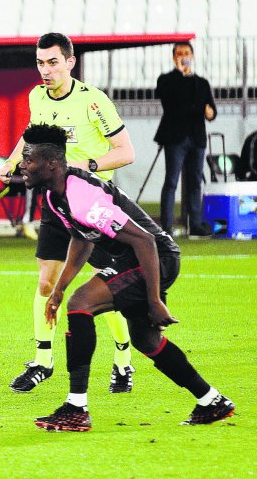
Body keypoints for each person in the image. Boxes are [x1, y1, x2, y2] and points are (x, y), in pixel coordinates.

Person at [16, 124, 235, 430]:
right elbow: (83, 239)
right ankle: (211, 400)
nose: (21, 165)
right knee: (146, 340)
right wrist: (58, 290)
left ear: (52, 163)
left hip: (154, 257)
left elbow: (145, 240)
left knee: (81, 304)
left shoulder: (82, 195)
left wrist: (154, 299)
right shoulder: (56, 195)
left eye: (28, 158)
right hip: (136, 258)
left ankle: (76, 407)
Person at [0, 33, 137, 395]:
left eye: (53, 62)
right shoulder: (36, 96)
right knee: (46, 281)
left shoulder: (94, 102)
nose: (45, 70)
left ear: (70, 62)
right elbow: (31, 138)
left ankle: (123, 360)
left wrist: (86, 164)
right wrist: (13, 160)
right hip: (56, 204)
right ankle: (43, 361)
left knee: (101, 289)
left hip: (93, 206)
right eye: (41, 62)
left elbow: (125, 152)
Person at [155, 42, 217, 236]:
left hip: (197, 137)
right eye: (180, 53)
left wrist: (210, 113)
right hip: (175, 137)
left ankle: (196, 224)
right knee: (172, 181)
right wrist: (181, 75)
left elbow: (211, 110)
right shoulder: (166, 80)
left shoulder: (202, 83)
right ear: (174, 57)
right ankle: (166, 226)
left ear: (193, 55)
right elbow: (170, 105)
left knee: (195, 181)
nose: (184, 56)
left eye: (187, 53)